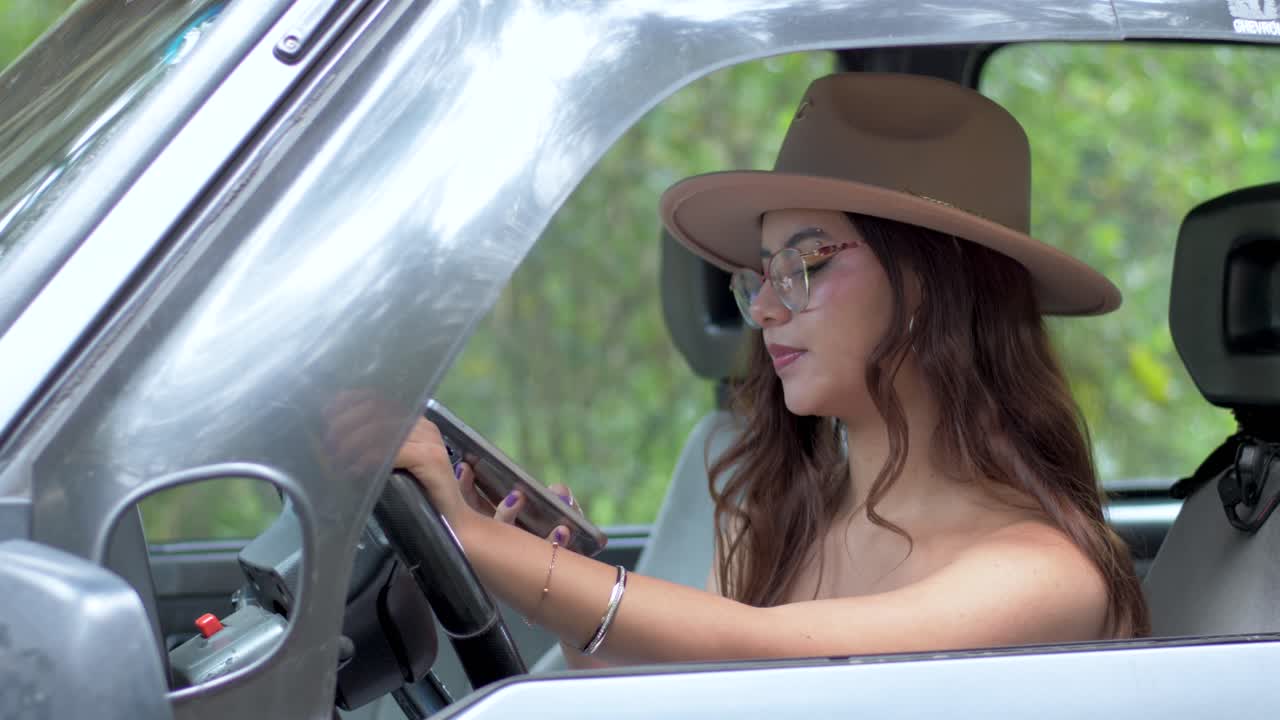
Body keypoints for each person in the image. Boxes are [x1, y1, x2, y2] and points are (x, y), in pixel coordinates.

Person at [394, 72, 1149, 666]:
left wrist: (490, 548)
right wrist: (537, 582)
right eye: (761, 274)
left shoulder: (1046, 573)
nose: (765, 311)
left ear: (933, 282)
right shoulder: (789, 513)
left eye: (807, 265)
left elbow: (781, 662)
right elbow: (699, 694)